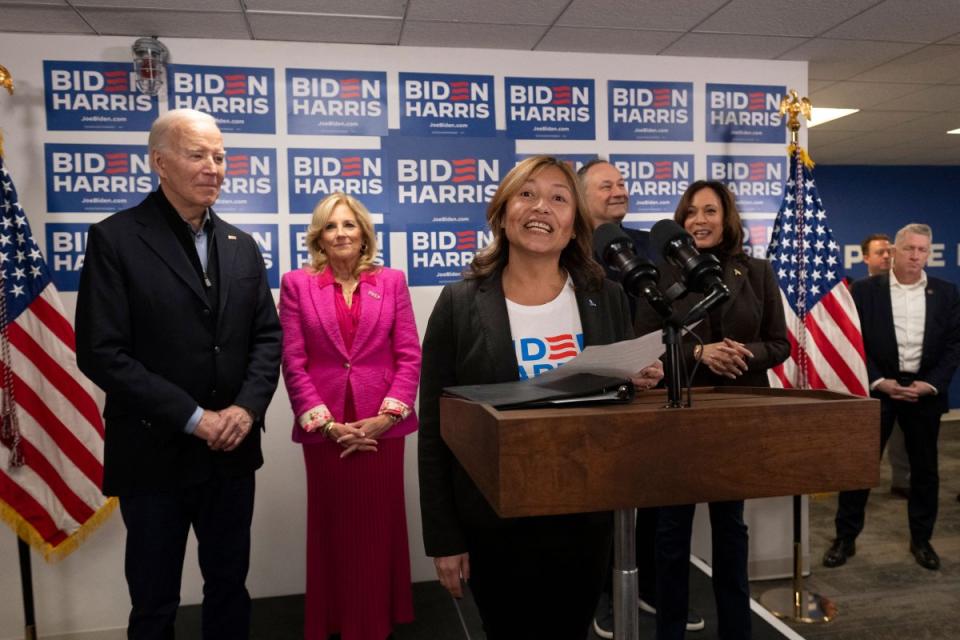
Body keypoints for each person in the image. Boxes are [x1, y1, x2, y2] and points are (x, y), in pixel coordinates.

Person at [418, 155, 662, 640]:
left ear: (574, 225)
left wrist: (630, 384)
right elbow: (435, 430)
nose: (541, 208)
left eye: (558, 197)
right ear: (503, 212)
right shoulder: (460, 304)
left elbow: (615, 409)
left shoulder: (605, 296)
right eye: (527, 194)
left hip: (584, 516)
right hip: (494, 518)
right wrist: (444, 539)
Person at [75, 108, 282, 639]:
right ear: (159, 163)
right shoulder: (115, 239)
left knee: (230, 588)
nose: (213, 167)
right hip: (153, 456)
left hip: (232, 454)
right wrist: (194, 418)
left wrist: (244, 409)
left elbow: (267, 338)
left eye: (219, 155)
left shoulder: (242, 245)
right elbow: (102, 352)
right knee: (154, 600)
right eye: (198, 154)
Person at [634, 180, 789, 640]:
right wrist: (699, 354)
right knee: (670, 531)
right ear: (680, 224)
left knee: (731, 528)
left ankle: (737, 630)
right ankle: (670, 630)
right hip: (677, 417)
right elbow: (642, 348)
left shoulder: (757, 271)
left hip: (737, 417)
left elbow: (778, 343)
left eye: (710, 211)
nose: (700, 220)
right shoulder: (658, 276)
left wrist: (742, 354)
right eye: (691, 213)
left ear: (727, 220)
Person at [280, 192, 421, 639]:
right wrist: (326, 424)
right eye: (330, 226)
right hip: (327, 433)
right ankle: (334, 619)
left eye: (349, 225)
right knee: (333, 530)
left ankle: (378, 618)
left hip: (383, 428)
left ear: (364, 233)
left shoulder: (393, 281)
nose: (340, 233)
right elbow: (293, 360)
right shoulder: (297, 284)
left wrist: (387, 417)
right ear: (319, 237)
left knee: (378, 528)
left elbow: (408, 355)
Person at [578, 159, 704, 637]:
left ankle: (648, 587)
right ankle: (604, 598)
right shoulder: (566, 252)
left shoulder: (643, 247)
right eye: (606, 185)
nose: (619, 191)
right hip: (593, 394)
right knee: (601, 503)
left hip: (651, 386)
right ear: (581, 194)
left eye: (622, 183)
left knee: (649, 498)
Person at [823, 223, 960, 571]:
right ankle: (845, 539)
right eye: (910, 249)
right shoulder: (866, 291)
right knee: (860, 468)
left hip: (924, 394)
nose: (916, 256)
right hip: (878, 392)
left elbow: (953, 346)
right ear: (895, 251)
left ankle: (922, 540)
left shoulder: (947, 293)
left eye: (923, 250)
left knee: (925, 471)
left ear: (929, 253)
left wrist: (930, 385)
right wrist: (877, 380)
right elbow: (851, 342)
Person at [861, 233, 911, 500]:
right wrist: (876, 378)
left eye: (889, 252)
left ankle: (903, 481)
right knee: (868, 443)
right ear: (865, 257)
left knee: (904, 439)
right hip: (871, 383)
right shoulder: (855, 292)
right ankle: (861, 487)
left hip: (905, 382)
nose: (886, 257)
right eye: (879, 252)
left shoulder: (907, 292)